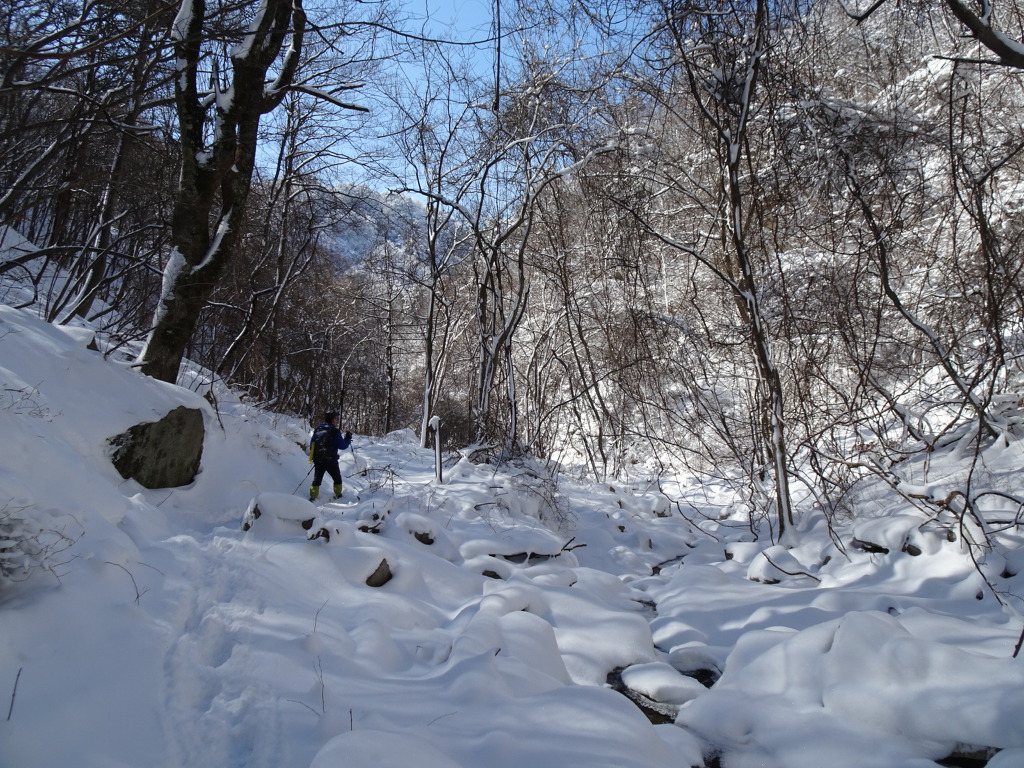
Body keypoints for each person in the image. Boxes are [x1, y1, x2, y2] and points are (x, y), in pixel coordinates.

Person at [308, 411, 352, 500]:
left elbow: (312, 444)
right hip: (331, 460)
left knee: (317, 479)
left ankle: (313, 497)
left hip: (318, 459)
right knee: (337, 478)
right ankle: (338, 495)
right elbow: (342, 446)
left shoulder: (318, 429)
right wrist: (348, 439)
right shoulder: (335, 431)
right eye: (336, 418)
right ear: (333, 419)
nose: (337, 420)